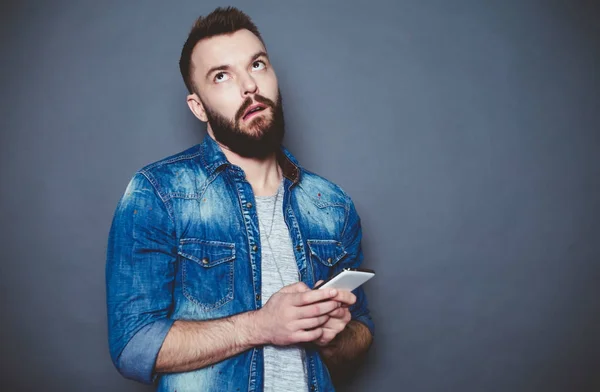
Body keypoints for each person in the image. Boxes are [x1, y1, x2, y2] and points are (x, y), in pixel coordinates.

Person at [106, 6, 374, 392]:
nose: (249, 86)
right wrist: (262, 325)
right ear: (198, 106)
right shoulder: (159, 192)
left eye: (258, 65)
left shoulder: (332, 205)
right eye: (221, 76)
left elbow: (361, 336)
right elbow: (133, 347)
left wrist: (333, 336)